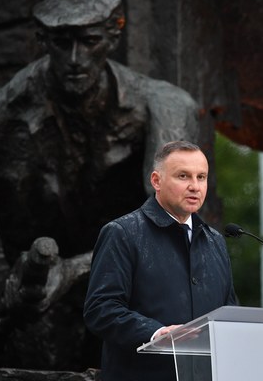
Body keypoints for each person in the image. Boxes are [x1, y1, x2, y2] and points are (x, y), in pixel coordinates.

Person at [0, 0, 199, 369]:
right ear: (43, 42)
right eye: (62, 45)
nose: (75, 60)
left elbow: (174, 225)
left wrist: (76, 270)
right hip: (37, 294)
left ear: (114, 37)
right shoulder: (6, 110)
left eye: (90, 42)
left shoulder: (163, 105)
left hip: (134, 285)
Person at [84, 140, 237, 381]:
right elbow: (101, 309)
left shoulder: (215, 241)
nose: (195, 186)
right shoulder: (122, 233)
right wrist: (156, 332)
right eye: (183, 176)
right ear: (156, 181)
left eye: (201, 177)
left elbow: (230, 315)